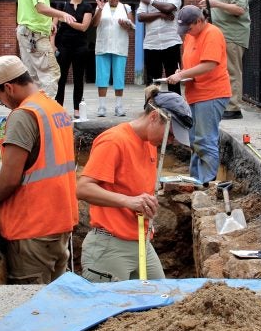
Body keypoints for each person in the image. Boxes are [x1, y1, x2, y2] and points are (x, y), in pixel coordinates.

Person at [0, 55, 78, 284]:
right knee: (55, 300)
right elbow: (42, 162)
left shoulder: (23, 115)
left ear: (8, 87)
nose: (1, 102)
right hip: (59, 222)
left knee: (32, 306)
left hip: (33, 228)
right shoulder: (53, 107)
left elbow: (11, 178)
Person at [76, 86, 192, 282]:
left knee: (161, 302)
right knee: (112, 310)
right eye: (170, 134)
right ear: (154, 117)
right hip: (110, 246)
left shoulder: (150, 143)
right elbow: (83, 188)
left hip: (141, 242)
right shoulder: (114, 141)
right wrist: (129, 201)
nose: (171, 141)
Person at [168, 5, 230, 185]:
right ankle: (195, 180)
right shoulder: (190, 36)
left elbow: (209, 64)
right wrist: (183, 73)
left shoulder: (212, 34)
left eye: (189, 28)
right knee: (195, 139)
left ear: (199, 21)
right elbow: (192, 65)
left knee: (205, 139)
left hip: (211, 94)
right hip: (196, 93)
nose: (187, 32)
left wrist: (181, 75)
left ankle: (207, 184)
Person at [16, 0, 76, 98]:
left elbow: (30, 11)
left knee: (33, 77)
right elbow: (40, 7)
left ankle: (32, 110)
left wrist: (48, 23)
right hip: (35, 35)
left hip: (25, 32)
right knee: (51, 73)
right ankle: (44, 111)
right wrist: (62, 14)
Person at [199, 0, 251, 120]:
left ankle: (234, 108)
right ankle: (225, 105)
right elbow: (220, 8)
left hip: (232, 35)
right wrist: (208, 7)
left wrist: (215, 4)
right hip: (221, 35)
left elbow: (240, 9)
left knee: (232, 70)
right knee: (222, 70)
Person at [53, 0, 94, 118]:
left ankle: (77, 109)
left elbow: (84, 27)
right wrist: (53, 45)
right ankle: (58, 107)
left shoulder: (87, 7)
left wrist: (67, 20)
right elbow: (54, 27)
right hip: (63, 46)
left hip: (80, 47)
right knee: (61, 78)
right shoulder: (62, 5)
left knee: (78, 78)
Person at [92, 0, 134, 117]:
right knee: (102, 77)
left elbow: (132, 27)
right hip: (103, 46)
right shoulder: (101, 8)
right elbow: (94, 23)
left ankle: (119, 106)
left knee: (119, 77)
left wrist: (126, 25)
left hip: (119, 45)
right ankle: (102, 107)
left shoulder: (126, 8)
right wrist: (99, 9)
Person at [137, 0, 183, 94]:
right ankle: (151, 108)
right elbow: (140, 17)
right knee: (152, 80)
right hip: (151, 44)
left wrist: (151, 2)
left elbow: (168, 8)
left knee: (173, 78)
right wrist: (161, 14)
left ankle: (175, 109)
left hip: (171, 42)